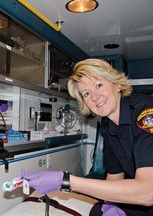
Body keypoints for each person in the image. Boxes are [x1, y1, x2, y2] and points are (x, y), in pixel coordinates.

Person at [21, 58, 153, 215]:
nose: (95, 97)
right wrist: (111, 205)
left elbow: (147, 192)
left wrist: (65, 181)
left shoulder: (145, 113)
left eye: (99, 85)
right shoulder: (108, 127)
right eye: (86, 93)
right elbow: (114, 177)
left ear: (116, 84)